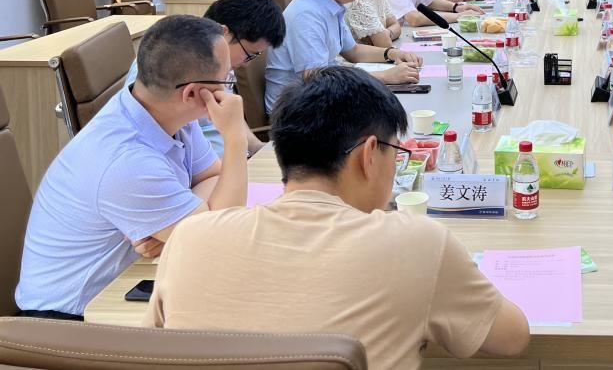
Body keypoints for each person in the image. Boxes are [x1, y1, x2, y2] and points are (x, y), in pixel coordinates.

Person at [145, 66, 531, 368]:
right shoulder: (417, 244)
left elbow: (151, 346)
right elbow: (512, 338)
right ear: (368, 154)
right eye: (396, 153)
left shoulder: (189, 238)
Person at [16, 15, 248, 319]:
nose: (229, 88)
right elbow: (219, 236)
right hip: (69, 320)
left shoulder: (164, 110)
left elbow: (213, 176)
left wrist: (183, 226)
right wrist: (234, 137)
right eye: (226, 79)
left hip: (122, 285)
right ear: (192, 93)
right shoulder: (127, 161)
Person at [264, 0, 421, 113]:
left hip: (319, 98)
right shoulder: (306, 14)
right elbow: (317, 80)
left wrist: (392, 53)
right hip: (296, 111)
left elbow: (353, 51)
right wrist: (385, 76)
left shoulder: (331, 2)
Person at [122, 0, 285, 159]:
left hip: (227, 162)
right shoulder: (165, 67)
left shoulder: (217, 63)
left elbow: (230, 117)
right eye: (249, 54)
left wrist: (257, 148)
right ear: (224, 33)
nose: (247, 63)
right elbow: (174, 157)